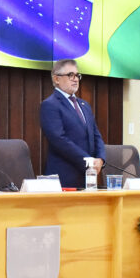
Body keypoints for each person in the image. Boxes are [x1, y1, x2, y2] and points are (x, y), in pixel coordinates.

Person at [39, 59, 105, 188]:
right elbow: (59, 140)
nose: (75, 79)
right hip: (64, 178)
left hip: (88, 177)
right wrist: (88, 161)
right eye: (70, 75)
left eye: (77, 75)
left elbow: (96, 136)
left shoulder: (85, 105)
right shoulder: (50, 105)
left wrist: (100, 159)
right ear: (56, 79)